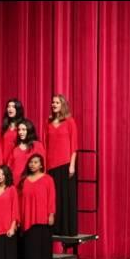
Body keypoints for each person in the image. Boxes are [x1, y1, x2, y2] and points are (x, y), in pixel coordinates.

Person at [45, 94, 78, 236]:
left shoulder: (70, 121)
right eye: (52, 102)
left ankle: (67, 229)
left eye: (57, 102)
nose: (54, 104)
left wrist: (72, 165)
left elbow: (74, 145)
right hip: (51, 165)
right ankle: (55, 228)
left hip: (65, 165)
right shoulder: (48, 122)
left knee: (66, 197)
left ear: (62, 104)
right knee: (54, 198)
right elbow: (45, 145)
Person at [19, 154, 56, 259]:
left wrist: (51, 214)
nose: (32, 164)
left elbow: (51, 198)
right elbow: (20, 200)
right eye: (31, 162)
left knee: (42, 246)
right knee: (29, 246)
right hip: (28, 218)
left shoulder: (48, 179)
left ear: (41, 165)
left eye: (35, 162)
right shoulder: (25, 180)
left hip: (42, 218)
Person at [8, 119, 46, 187]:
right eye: (19, 130)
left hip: (32, 182)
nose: (20, 132)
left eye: (23, 129)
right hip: (15, 184)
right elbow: (9, 166)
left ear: (29, 130)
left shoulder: (37, 145)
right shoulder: (15, 149)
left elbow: (43, 166)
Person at [1, 98, 25, 164]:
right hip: (4, 161)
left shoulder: (23, 125)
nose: (10, 109)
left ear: (18, 109)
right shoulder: (6, 126)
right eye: (8, 106)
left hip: (17, 160)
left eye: (13, 107)